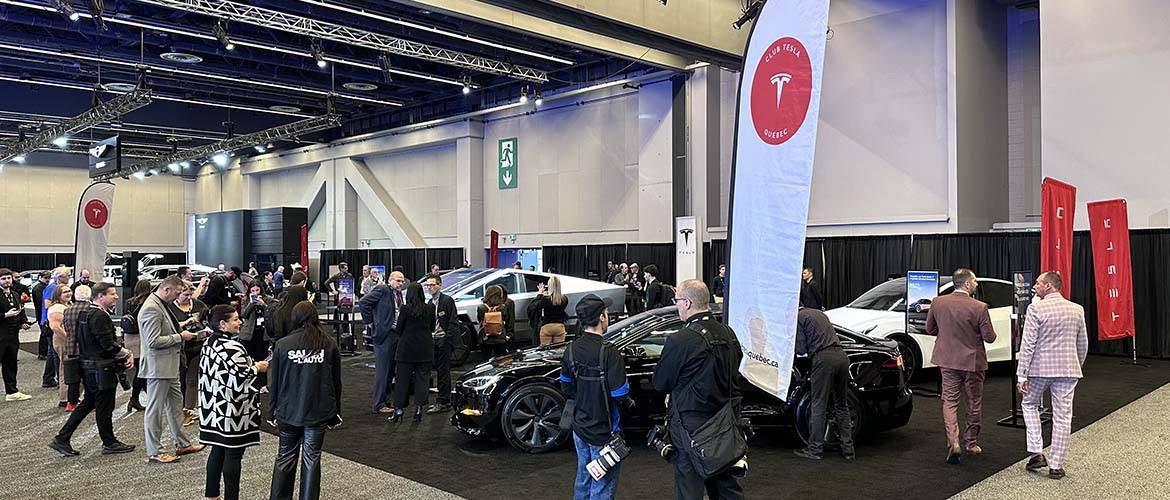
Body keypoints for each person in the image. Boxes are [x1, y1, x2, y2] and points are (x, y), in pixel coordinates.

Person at [653, 280, 745, 499]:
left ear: (686, 303)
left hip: (690, 428)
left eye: (677, 301)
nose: (677, 306)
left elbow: (660, 382)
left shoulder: (680, 340)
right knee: (726, 489)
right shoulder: (729, 334)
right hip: (725, 424)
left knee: (689, 490)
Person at [48, 282, 136, 456]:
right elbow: (107, 344)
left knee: (89, 402)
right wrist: (126, 353)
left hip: (90, 366)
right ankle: (108, 442)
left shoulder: (86, 313)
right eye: (112, 294)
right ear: (100, 296)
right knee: (104, 405)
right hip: (100, 367)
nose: (116, 296)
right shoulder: (98, 315)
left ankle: (62, 438)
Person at [268, 301, 342, 500]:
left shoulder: (282, 345)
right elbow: (336, 382)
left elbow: (274, 382)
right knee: (311, 458)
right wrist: (336, 413)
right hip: (318, 411)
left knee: (285, 457)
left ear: (295, 318)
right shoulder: (328, 343)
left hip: (288, 410)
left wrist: (272, 410)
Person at [1018, 271, 1088, 480]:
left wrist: (1022, 374)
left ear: (1048, 286)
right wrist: (1076, 365)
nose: (1035, 287)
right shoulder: (1077, 309)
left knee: (1029, 405)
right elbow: (1082, 343)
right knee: (1063, 417)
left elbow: (1028, 344)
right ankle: (1056, 466)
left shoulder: (1035, 308)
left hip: (1039, 370)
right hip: (1068, 370)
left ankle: (1036, 451)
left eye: (1038, 284)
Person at [559, 294, 629, 500]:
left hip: (580, 427)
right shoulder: (609, 351)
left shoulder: (570, 349)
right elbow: (620, 393)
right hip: (605, 431)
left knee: (584, 475)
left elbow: (566, 387)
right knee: (602, 483)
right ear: (602, 317)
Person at [925, 268, 997, 464]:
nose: (976, 284)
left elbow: (929, 328)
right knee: (974, 402)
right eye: (974, 281)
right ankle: (971, 443)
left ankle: (953, 443)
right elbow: (990, 338)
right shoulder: (980, 307)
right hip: (972, 363)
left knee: (949, 402)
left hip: (946, 361)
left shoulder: (938, 302)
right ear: (966, 284)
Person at [200, 304, 269, 500]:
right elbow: (242, 376)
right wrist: (257, 367)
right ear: (223, 324)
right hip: (232, 409)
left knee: (217, 449)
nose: (240, 322)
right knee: (233, 453)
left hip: (213, 407)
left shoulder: (210, 342)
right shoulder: (233, 347)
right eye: (236, 319)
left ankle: (211, 494)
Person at [139, 275, 205, 464]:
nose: (179, 297)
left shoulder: (160, 304)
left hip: (170, 365)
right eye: (177, 292)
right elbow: (153, 342)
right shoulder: (152, 308)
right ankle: (154, 451)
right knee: (155, 410)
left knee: (176, 407)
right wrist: (180, 337)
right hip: (158, 367)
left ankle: (182, 444)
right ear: (167, 289)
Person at [792, 306, 855, 460]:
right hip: (842, 356)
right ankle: (848, 450)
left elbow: (801, 349)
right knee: (841, 405)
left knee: (818, 404)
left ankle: (814, 450)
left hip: (823, 359)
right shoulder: (819, 313)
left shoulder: (798, 318)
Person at [360, 271, 406, 414]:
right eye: (398, 281)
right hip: (384, 335)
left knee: (390, 370)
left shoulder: (398, 294)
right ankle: (378, 404)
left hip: (395, 335)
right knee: (383, 371)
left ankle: (385, 401)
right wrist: (370, 323)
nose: (401, 283)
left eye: (402, 281)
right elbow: (364, 303)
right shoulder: (382, 289)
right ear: (390, 280)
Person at [389, 282, 436, 423]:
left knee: (402, 381)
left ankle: (398, 410)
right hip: (425, 349)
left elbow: (399, 330)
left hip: (406, 350)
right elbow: (432, 327)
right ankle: (418, 410)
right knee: (422, 380)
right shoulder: (430, 308)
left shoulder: (404, 309)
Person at [171, 281, 209, 427]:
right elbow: (169, 327)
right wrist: (185, 323)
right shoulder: (170, 308)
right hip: (179, 349)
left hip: (197, 347)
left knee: (193, 379)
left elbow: (208, 319)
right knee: (180, 378)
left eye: (190, 294)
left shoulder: (199, 305)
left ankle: (189, 409)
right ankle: (180, 410)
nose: (188, 297)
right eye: (185, 295)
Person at [424, 273, 458, 414]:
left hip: (444, 340)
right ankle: (444, 399)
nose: (430, 287)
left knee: (443, 372)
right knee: (438, 370)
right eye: (428, 285)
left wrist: (446, 338)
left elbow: (453, 322)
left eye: (433, 284)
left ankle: (444, 401)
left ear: (440, 285)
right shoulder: (430, 303)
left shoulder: (447, 300)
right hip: (434, 340)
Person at [0, 269, 33, 401]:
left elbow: (20, 311)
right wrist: (5, 315)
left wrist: (23, 323)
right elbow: (8, 314)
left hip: (12, 335)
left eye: (9, 278)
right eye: (3, 279)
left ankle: (12, 392)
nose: (7, 281)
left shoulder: (14, 293)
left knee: (11, 364)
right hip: (0, 335)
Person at [121, 280, 153, 412]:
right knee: (142, 371)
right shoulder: (148, 302)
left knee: (140, 368)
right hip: (142, 337)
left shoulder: (129, 302)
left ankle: (143, 397)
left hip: (129, 337)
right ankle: (134, 399)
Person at [60, 285, 92, 411]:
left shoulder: (67, 310)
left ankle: (71, 403)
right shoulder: (91, 309)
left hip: (71, 346)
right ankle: (90, 402)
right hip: (86, 348)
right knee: (89, 376)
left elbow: (67, 328)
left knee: (74, 378)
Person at [41, 267, 71, 388]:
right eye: (66, 276)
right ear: (59, 277)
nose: (68, 278)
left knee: (52, 353)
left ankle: (49, 378)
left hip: (52, 322)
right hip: (51, 324)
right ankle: (58, 380)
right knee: (56, 354)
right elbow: (48, 304)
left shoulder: (56, 288)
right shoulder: (52, 288)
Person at [46, 285, 73, 409]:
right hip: (62, 340)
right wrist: (69, 339)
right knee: (65, 368)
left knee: (69, 367)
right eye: (65, 292)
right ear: (58, 295)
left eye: (69, 291)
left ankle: (70, 397)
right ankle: (65, 398)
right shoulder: (56, 308)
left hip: (67, 340)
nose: (69, 293)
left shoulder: (67, 305)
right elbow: (56, 327)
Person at [528, 276, 568, 346]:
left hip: (547, 327)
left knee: (545, 352)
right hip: (560, 327)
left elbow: (534, 306)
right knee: (558, 351)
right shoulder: (564, 299)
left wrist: (540, 294)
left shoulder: (545, 299)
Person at [477, 284, 514, 358]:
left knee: (486, 359)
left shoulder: (481, 307)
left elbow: (479, 319)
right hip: (500, 337)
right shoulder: (503, 307)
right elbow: (506, 320)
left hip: (485, 337)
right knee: (500, 359)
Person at [239, 284, 272, 364]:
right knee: (249, 357)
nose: (255, 293)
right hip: (249, 332)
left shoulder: (268, 299)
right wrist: (251, 304)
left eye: (257, 290)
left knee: (262, 357)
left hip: (263, 332)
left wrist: (263, 305)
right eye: (253, 291)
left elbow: (271, 313)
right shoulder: (245, 299)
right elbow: (244, 315)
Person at [273, 276, 310, 342]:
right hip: (303, 343)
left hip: (284, 344)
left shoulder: (280, 311)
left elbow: (278, 333)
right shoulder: (306, 311)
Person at [30, 270, 49, 360]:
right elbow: (40, 302)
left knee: (45, 333)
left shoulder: (45, 287)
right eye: (45, 278)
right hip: (41, 313)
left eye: (49, 278)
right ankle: (42, 353)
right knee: (44, 333)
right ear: (40, 277)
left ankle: (44, 352)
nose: (47, 280)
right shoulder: (38, 288)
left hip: (44, 313)